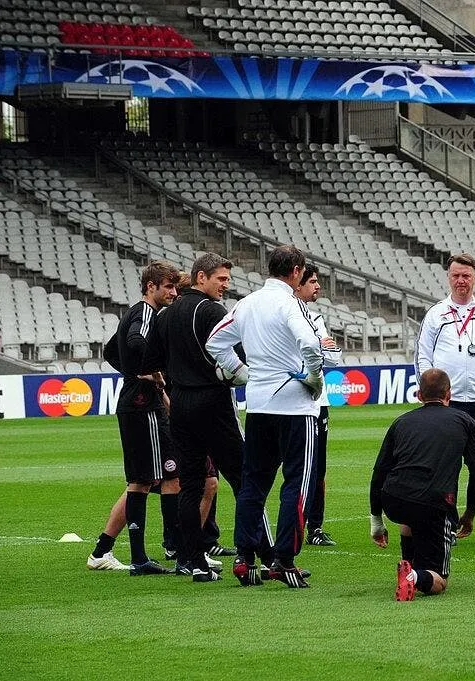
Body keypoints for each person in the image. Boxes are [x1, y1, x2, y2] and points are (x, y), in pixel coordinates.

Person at [206, 245, 324, 588]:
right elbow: (310, 344)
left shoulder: (247, 303)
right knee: (296, 483)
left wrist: (244, 373)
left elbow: (215, 343)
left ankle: (245, 557)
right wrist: (315, 378)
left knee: (253, 483)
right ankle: (284, 559)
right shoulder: (291, 303)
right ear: (297, 271)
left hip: (258, 405)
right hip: (294, 406)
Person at [143, 253, 251, 582]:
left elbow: (149, 360)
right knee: (243, 478)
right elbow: (238, 358)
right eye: (221, 279)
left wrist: (173, 377)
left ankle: (194, 562)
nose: (226, 285)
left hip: (180, 404)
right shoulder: (211, 311)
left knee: (189, 486)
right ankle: (253, 556)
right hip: (212, 401)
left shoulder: (165, 315)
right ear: (201, 277)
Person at [415, 253, 475, 545]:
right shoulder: (436, 314)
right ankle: (447, 523)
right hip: (450, 403)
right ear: (448, 278)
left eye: (466, 276)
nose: (461, 281)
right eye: (456, 275)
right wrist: (430, 394)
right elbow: (423, 355)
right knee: (447, 466)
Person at [369, 368, 475, 600]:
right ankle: (413, 576)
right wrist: (470, 514)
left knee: (410, 507)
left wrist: (376, 521)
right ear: (449, 394)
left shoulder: (401, 422)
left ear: (419, 395)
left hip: (394, 500)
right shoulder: (465, 421)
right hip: (433, 504)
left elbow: (379, 472)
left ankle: (409, 564)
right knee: (439, 581)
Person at [105, 260, 181, 576]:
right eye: (169, 287)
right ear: (151, 287)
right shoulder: (146, 314)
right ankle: (149, 555)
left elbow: (110, 351)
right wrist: (150, 372)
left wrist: (132, 371)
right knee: (147, 478)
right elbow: (136, 341)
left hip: (134, 401)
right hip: (142, 404)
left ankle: (140, 557)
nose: (174, 293)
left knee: (143, 479)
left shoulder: (134, 312)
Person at [294, 265, 342, 547]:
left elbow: (333, 358)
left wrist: (321, 348)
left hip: (318, 402)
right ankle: (293, 525)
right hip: (290, 402)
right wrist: (318, 347)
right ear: (297, 284)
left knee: (318, 469)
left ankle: (315, 527)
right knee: (293, 469)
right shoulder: (285, 315)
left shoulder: (316, 317)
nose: (318, 286)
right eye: (312, 281)